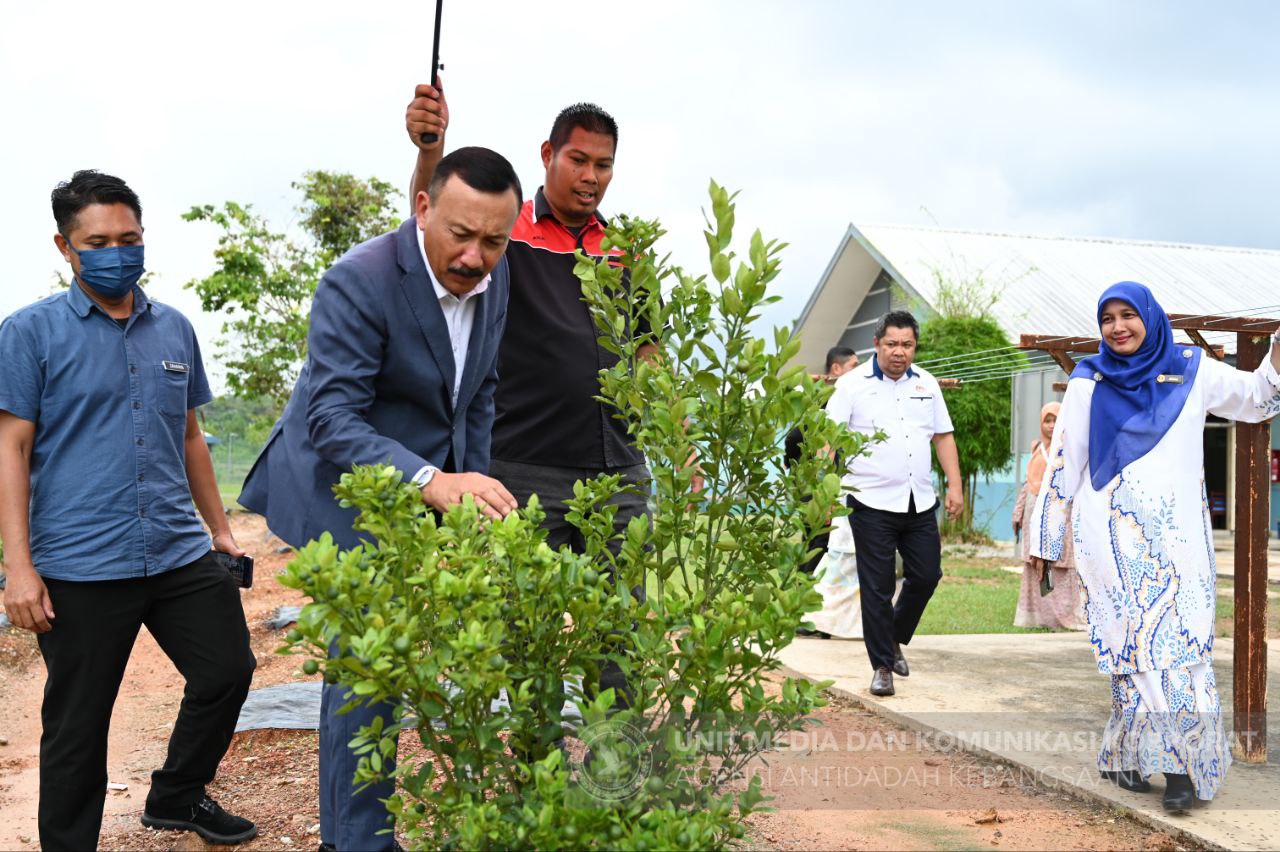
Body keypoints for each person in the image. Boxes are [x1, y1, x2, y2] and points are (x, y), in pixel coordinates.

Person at [239, 147, 522, 851]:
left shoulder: (497, 274)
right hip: (349, 488)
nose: (475, 255)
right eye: (460, 233)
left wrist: (472, 495)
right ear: (423, 207)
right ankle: (357, 840)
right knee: (369, 669)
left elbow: (477, 393)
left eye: (494, 240)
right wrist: (434, 481)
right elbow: (331, 419)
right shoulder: (358, 281)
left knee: (402, 662)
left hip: (425, 489)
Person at [0, 170, 257, 849]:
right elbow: (11, 448)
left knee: (228, 672)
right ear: (65, 247)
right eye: (99, 241)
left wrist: (221, 531)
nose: (118, 252)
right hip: (80, 564)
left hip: (177, 550)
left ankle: (176, 795)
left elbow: (191, 435)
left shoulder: (173, 329)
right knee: (78, 729)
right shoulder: (29, 334)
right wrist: (17, 569)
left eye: (130, 238)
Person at [405, 90, 656, 711]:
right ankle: (528, 788)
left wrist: (676, 439)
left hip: (619, 470)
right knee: (528, 639)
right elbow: (431, 225)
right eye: (578, 159)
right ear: (548, 155)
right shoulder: (505, 232)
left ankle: (613, 788)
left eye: (602, 165)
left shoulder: (627, 248)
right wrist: (429, 149)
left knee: (618, 638)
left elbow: (648, 354)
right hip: (524, 469)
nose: (590, 176)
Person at [1029, 282, 1280, 812]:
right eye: (1107, 319)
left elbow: (1258, 401)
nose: (1118, 327)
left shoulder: (1193, 369)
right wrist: (1046, 540)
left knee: (1177, 652)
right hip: (1110, 542)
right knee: (1135, 654)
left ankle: (1131, 755)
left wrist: (1278, 347)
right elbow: (1064, 465)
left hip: (1181, 542)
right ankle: (1177, 770)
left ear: (1150, 317)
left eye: (1128, 315)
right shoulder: (1088, 382)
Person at [825, 310, 963, 697]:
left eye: (907, 345)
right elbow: (828, 439)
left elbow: (943, 437)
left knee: (926, 575)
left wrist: (955, 486)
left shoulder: (927, 384)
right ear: (876, 344)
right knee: (877, 586)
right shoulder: (851, 385)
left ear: (914, 347)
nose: (899, 352)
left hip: (918, 502)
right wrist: (821, 488)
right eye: (891, 344)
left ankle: (895, 636)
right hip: (869, 502)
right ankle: (883, 665)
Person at [785, 345, 859, 580]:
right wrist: (792, 462)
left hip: (833, 485)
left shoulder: (850, 400)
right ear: (836, 368)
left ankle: (808, 593)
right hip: (813, 485)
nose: (858, 373)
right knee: (818, 540)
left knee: (825, 542)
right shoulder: (821, 400)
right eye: (853, 367)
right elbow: (794, 436)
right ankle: (799, 592)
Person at [1011, 402, 1082, 630]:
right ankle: (1037, 616)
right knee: (1035, 561)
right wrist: (1019, 511)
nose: (1051, 426)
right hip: (1034, 509)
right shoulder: (1036, 449)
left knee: (1060, 561)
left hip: (1061, 511)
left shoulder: (1070, 448)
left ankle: (1063, 616)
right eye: (1047, 421)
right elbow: (1027, 484)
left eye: (1055, 420)